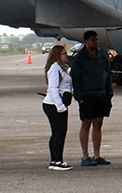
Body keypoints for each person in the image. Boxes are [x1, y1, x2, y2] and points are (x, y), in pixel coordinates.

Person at [71, 30, 114, 166]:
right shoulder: (80, 58)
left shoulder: (102, 56)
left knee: (98, 123)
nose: (96, 42)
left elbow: (108, 74)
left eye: (96, 40)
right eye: (93, 40)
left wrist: (109, 93)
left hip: (101, 94)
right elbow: (75, 78)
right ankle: (85, 156)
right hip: (87, 95)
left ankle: (97, 154)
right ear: (86, 41)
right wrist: (79, 97)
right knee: (86, 123)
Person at [43, 45, 74, 170]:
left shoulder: (61, 68)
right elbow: (53, 88)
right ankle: (57, 161)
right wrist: (60, 106)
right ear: (57, 55)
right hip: (53, 105)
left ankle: (55, 160)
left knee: (57, 132)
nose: (66, 55)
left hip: (58, 104)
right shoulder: (54, 69)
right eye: (63, 53)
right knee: (59, 132)